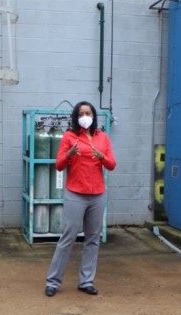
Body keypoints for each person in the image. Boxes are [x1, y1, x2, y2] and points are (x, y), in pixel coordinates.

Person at [44, 100, 116, 297]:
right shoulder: (70, 136)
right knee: (68, 237)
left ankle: (86, 281)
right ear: (76, 117)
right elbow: (59, 165)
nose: (86, 117)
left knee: (93, 239)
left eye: (89, 113)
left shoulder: (103, 137)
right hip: (76, 193)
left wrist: (102, 156)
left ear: (94, 116)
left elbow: (111, 164)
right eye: (82, 113)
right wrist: (69, 153)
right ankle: (53, 281)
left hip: (97, 195)